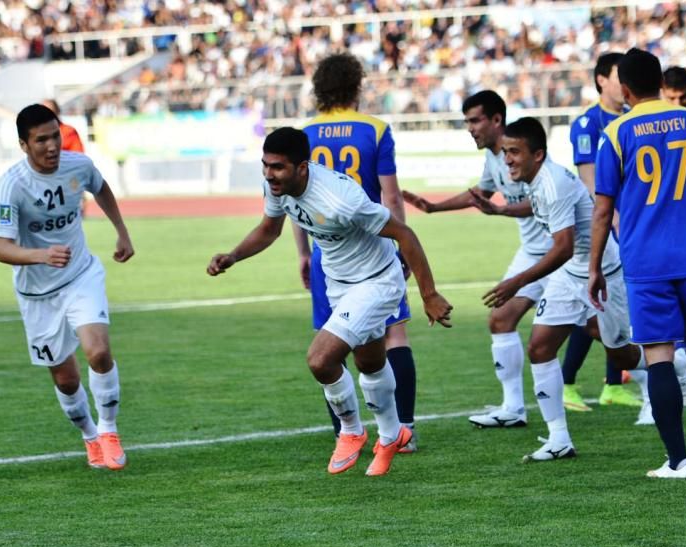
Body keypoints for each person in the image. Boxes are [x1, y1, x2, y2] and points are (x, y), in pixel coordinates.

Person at [208, 127, 452, 476]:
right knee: (369, 362)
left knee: (320, 359)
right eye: (265, 165)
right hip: (340, 283)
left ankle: (351, 431)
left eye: (277, 167)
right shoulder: (277, 187)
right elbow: (269, 229)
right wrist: (233, 256)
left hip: (377, 280)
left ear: (302, 167)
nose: (268, 174)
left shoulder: (340, 198)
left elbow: (404, 233)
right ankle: (391, 434)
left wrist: (429, 294)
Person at [472, 117, 686, 462]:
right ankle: (559, 439)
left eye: (515, 152)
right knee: (540, 347)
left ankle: (676, 360)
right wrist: (502, 211)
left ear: (538, 154)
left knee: (618, 352)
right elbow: (538, 208)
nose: (508, 159)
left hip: (602, 273)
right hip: (571, 273)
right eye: (505, 152)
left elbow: (562, 246)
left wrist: (517, 282)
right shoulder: (537, 179)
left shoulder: (554, 182)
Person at [591, 48, 686, 478]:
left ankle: (679, 460)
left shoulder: (617, 132)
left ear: (624, 89)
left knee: (659, 355)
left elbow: (602, 209)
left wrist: (593, 269)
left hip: (646, 261)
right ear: (662, 81)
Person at [0, 104, 134, 471]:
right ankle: (89, 436)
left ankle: (109, 431)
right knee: (66, 378)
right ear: (24, 144)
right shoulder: (11, 185)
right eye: (41, 140)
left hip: (81, 274)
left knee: (98, 351)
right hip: (38, 293)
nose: (52, 145)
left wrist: (122, 232)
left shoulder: (77, 166)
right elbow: (0, 248)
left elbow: (101, 189)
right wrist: (41, 255)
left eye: (55, 135)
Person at [403, 91, 553, 430]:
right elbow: (480, 195)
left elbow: (545, 200)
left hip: (562, 252)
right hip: (532, 252)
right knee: (500, 320)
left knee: (604, 334)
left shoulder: (526, 155)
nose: (470, 128)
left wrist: (500, 211)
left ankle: (661, 374)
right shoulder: (493, 159)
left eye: (475, 120)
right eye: (466, 122)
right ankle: (513, 408)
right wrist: (433, 207)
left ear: (496, 120)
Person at [297, 52, 418, 451]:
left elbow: (297, 205)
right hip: (375, 248)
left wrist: (303, 254)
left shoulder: (306, 133)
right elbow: (391, 195)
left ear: (318, 89)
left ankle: (345, 433)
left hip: (326, 252)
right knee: (393, 335)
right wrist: (403, 248)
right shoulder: (375, 129)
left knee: (332, 338)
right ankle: (404, 430)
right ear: (356, 85)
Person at [562, 53, 643, 412]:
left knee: (616, 311)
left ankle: (613, 383)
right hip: (605, 228)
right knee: (595, 310)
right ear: (601, 80)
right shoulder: (587, 124)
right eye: (617, 75)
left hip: (632, 224)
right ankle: (567, 384)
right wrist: (616, 224)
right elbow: (590, 184)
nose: (623, 82)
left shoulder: (631, 120)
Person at [0, 94, 85, 153]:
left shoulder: (68, 131)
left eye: (49, 111)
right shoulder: (35, 128)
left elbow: (78, 157)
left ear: (57, 112)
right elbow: (13, 116)